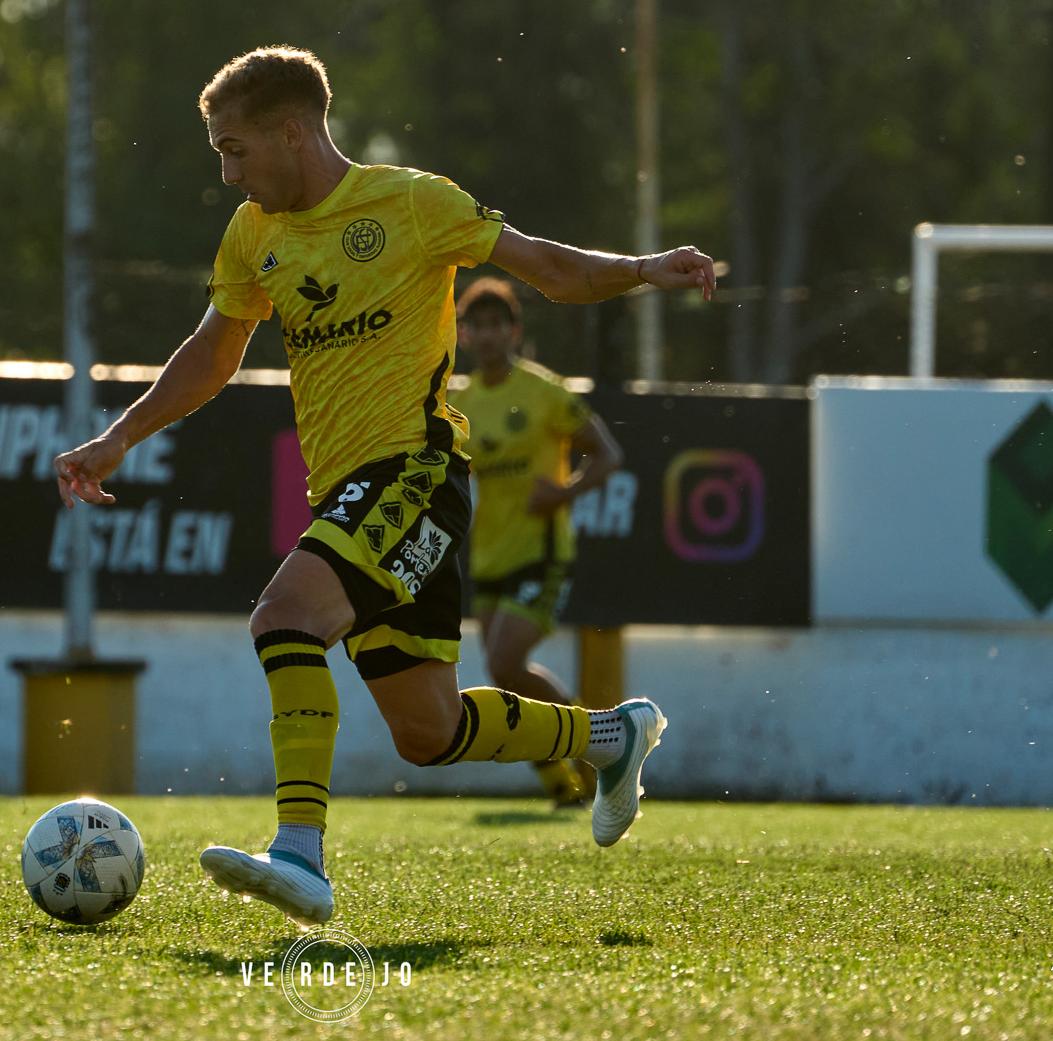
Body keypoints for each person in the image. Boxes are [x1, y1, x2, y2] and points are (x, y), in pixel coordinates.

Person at [55, 46, 714, 927]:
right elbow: (214, 354)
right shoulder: (256, 232)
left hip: (417, 471)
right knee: (428, 730)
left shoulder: (412, 202)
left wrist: (640, 268)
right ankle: (612, 735)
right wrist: (119, 434)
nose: (226, 172)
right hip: (349, 494)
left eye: (237, 148)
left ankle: (299, 852)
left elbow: (548, 268)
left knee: (284, 617)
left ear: (293, 132)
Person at [456, 276, 622, 808]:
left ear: (515, 331)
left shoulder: (545, 390)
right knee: (505, 678)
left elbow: (608, 454)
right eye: (476, 326)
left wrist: (565, 493)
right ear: (463, 335)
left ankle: (602, 745)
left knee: (505, 662)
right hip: (488, 555)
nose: (487, 336)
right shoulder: (462, 404)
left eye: (496, 325)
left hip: (543, 552)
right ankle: (564, 788)